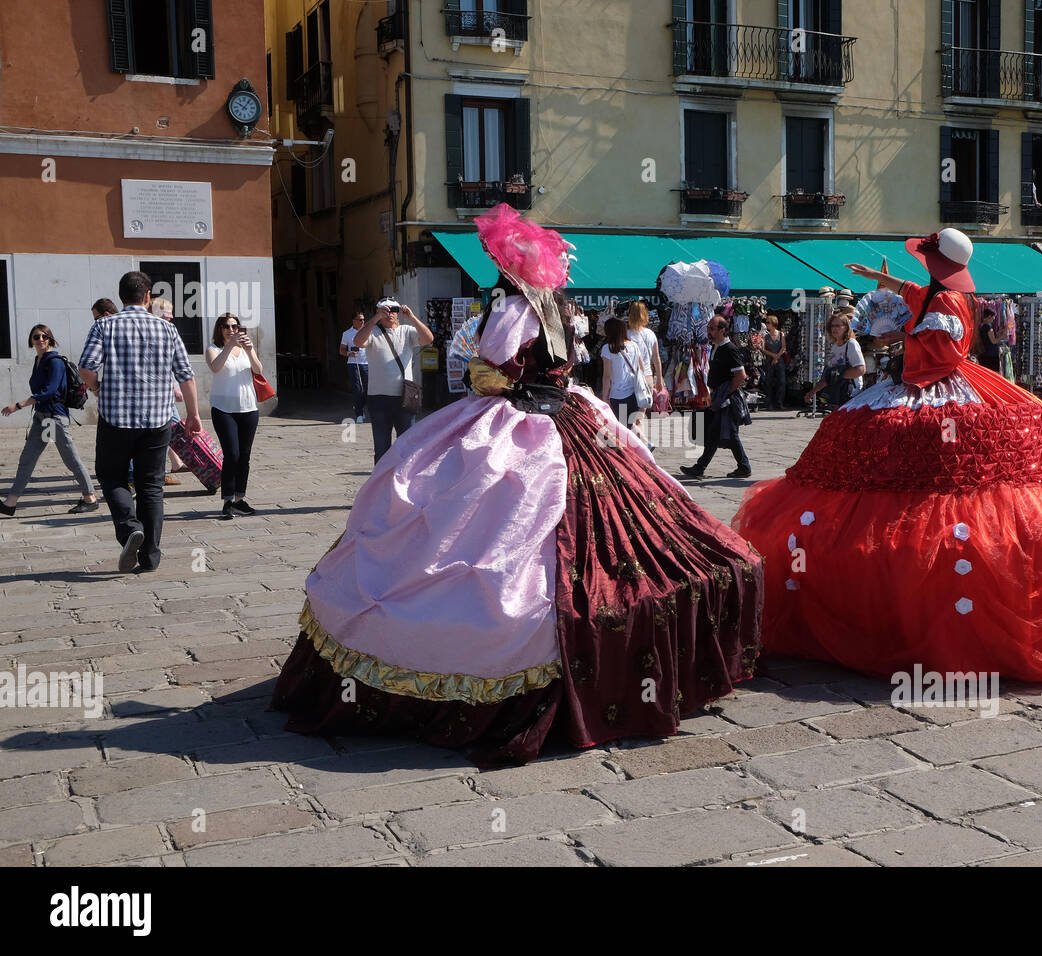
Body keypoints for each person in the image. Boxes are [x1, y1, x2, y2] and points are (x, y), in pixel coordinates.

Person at [271, 203, 763, 765]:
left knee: (468, 511)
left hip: (516, 419)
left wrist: (481, 368)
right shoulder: (555, 303)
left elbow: (490, 368)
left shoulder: (509, 306)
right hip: (573, 414)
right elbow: (556, 365)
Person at [731, 228, 1042, 683]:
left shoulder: (947, 304)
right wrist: (881, 280)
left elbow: (938, 355)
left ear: (937, 267)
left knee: (948, 466)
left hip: (934, 385)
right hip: (925, 380)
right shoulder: (936, 294)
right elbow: (912, 294)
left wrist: (896, 336)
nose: (923, 272)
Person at [79, 271, 200, 574]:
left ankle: (129, 527)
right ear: (148, 297)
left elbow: (85, 369)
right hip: (157, 420)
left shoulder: (104, 325)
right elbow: (186, 374)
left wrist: (97, 388)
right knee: (151, 486)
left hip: (116, 419)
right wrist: (194, 414)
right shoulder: (167, 329)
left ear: (121, 297)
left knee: (111, 475)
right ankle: (150, 557)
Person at [1, 325, 98, 517]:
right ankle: (10, 503)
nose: (41, 339)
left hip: (54, 418)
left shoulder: (54, 361)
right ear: (31, 341)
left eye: (44, 336)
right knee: (27, 459)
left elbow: (50, 390)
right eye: (36, 337)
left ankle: (90, 498)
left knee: (71, 459)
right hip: (41, 418)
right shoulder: (39, 360)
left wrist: (18, 405)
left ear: (50, 339)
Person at [353, 297, 435, 463]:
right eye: (386, 310)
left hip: (404, 397)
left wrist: (412, 317)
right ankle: (381, 484)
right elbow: (358, 341)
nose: (390, 313)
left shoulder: (407, 331)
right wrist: (375, 318)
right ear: (378, 311)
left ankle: (403, 482)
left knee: (408, 447)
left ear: (399, 313)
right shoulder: (373, 332)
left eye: (394, 310)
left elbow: (428, 339)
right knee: (381, 448)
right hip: (379, 397)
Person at [680, 314, 751, 479]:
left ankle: (742, 466)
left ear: (722, 330)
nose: (708, 331)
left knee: (728, 433)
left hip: (728, 400)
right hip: (720, 397)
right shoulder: (716, 347)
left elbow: (741, 375)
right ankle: (703, 467)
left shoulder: (729, 349)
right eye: (708, 328)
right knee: (716, 433)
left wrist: (727, 393)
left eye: (712, 328)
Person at [206, 314, 263, 520]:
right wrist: (230, 346)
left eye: (235, 326)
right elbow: (215, 367)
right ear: (219, 329)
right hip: (223, 409)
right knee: (232, 454)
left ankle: (240, 499)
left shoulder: (247, 348)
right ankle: (227, 501)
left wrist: (249, 350)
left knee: (244, 457)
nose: (231, 329)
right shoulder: (214, 349)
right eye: (227, 326)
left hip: (248, 408)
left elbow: (258, 370)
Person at [149, 297, 190, 486]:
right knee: (171, 430)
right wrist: (174, 387)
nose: (172, 316)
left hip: (163, 395)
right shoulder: (156, 332)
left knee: (171, 430)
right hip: (160, 395)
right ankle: (158, 471)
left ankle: (174, 464)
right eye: (167, 312)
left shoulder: (165, 330)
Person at [804, 308, 866, 408]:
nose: (834, 329)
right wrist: (812, 392)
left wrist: (839, 375)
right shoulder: (835, 347)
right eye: (832, 326)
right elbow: (829, 375)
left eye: (838, 326)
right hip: (837, 393)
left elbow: (860, 370)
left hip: (851, 394)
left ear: (846, 327)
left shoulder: (851, 344)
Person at [599, 316, 646, 433]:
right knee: (629, 425)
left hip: (618, 395)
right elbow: (642, 368)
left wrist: (605, 397)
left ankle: (643, 445)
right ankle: (645, 444)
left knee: (621, 429)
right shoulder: (633, 345)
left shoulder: (608, 348)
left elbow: (607, 376)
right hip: (634, 393)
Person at [626, 301, 663, 401]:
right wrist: (659, 379)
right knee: (641, 412)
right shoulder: (651, 334)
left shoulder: (625, 335)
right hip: (647, 376)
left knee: (627, 413)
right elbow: (656, 358)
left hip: (629, 379)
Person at [339, 311, 368, 424]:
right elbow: (341, 350)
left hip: (367, 363)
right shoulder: (347, 334)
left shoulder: (368, 331)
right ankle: (359, 414)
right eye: (360, 320)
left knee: (368, 389)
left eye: (363, 320)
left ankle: (358, 406)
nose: (362, 322)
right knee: (357, 388)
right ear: (354, 321)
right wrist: (348, 354)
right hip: (353, 363)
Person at [760, 313, 788, 411]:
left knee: (782, 382)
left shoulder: (781, 334)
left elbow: (783, 347)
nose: (766, 324)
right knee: (768, 382)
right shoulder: (765, 335)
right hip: (769, 361)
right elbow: (763, 349)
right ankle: (769, 403)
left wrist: (776, 357)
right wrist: (773, 356)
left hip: (779, 360)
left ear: (773, 323)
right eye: (766, 322)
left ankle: (779, 402)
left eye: (768, 322)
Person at [977, 308, 1005, 372]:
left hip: (984, 354)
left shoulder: (981, 325)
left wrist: (998, 334)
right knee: (994, 374)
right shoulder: (988, 326)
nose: (993, 320)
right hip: (991, 355)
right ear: (989, 316)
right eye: (993, 318)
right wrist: (1002, 336)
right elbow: (994, 341)